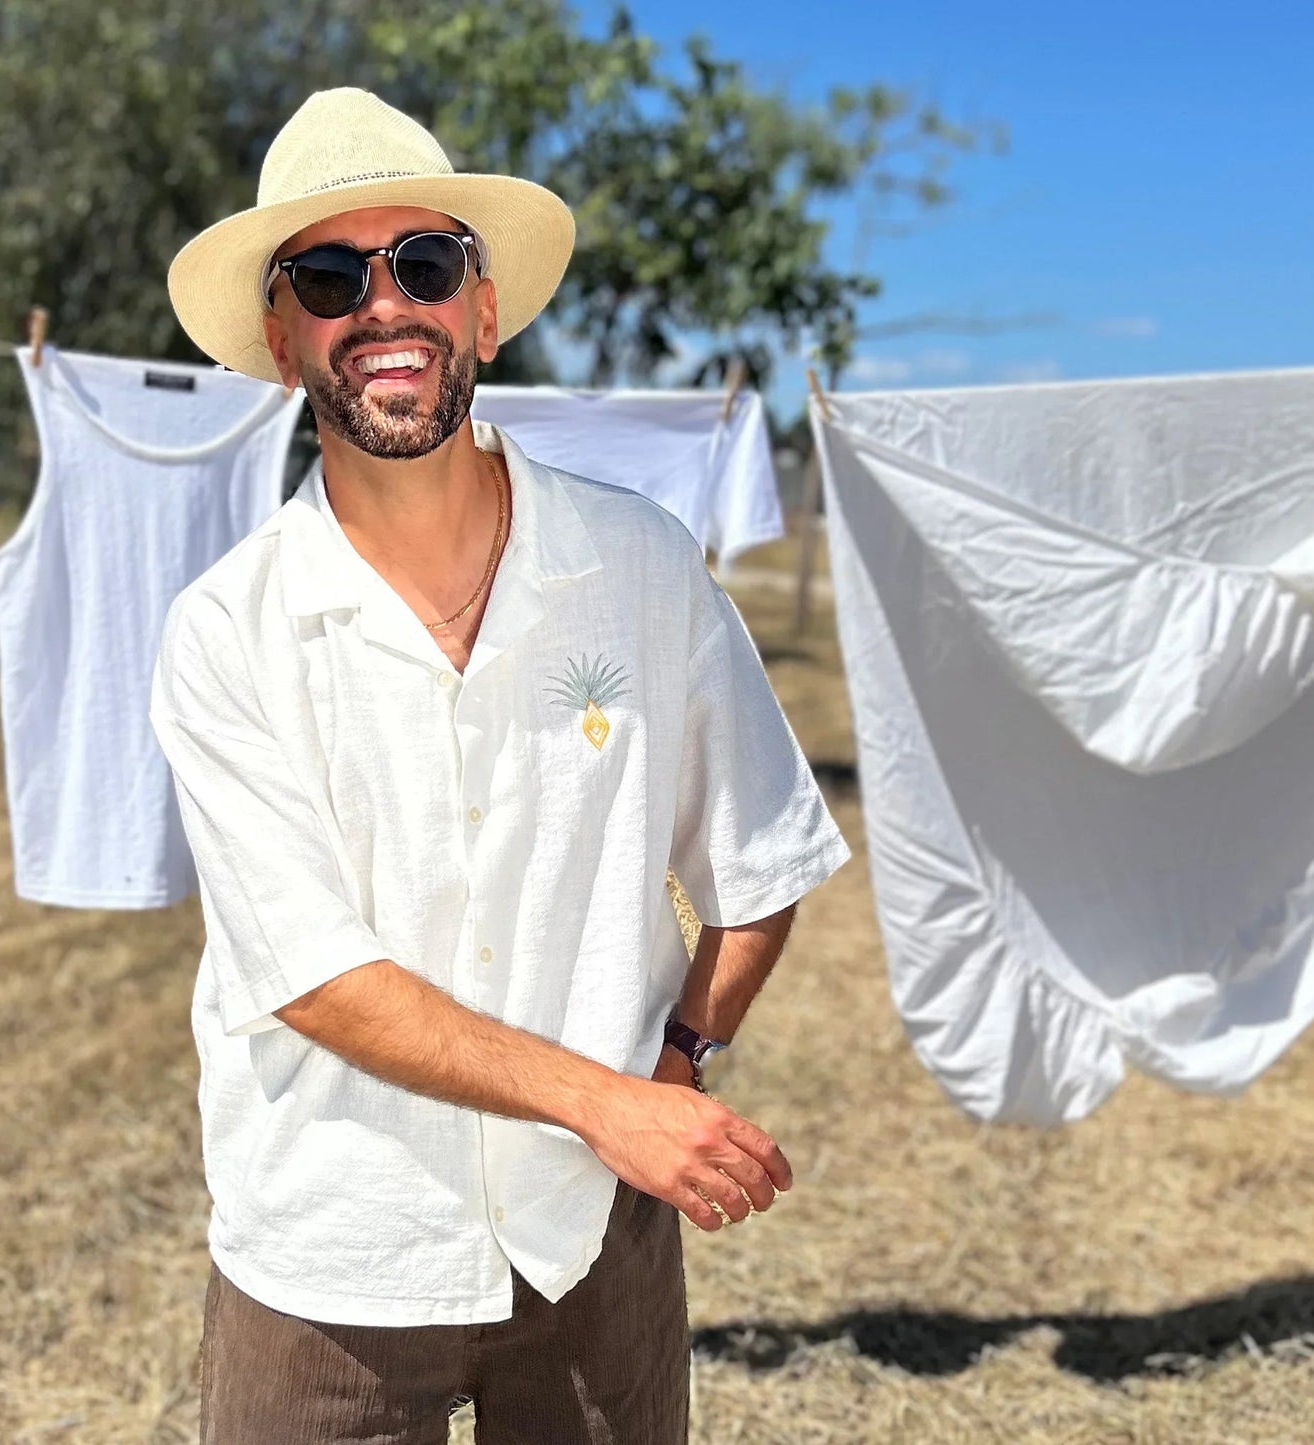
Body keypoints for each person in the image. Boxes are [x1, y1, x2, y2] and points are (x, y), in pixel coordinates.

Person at [151, 86, 849, 1444]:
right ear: (283, 337)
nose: (384, 305)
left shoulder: (639, 565)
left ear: (480, 310)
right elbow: (312, 975)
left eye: (423, 263)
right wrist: (609, 1101)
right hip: (329, 1256)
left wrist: (684, 1056)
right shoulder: (223, 631)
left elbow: (761, 858)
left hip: (595, 1241)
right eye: (331, 276)